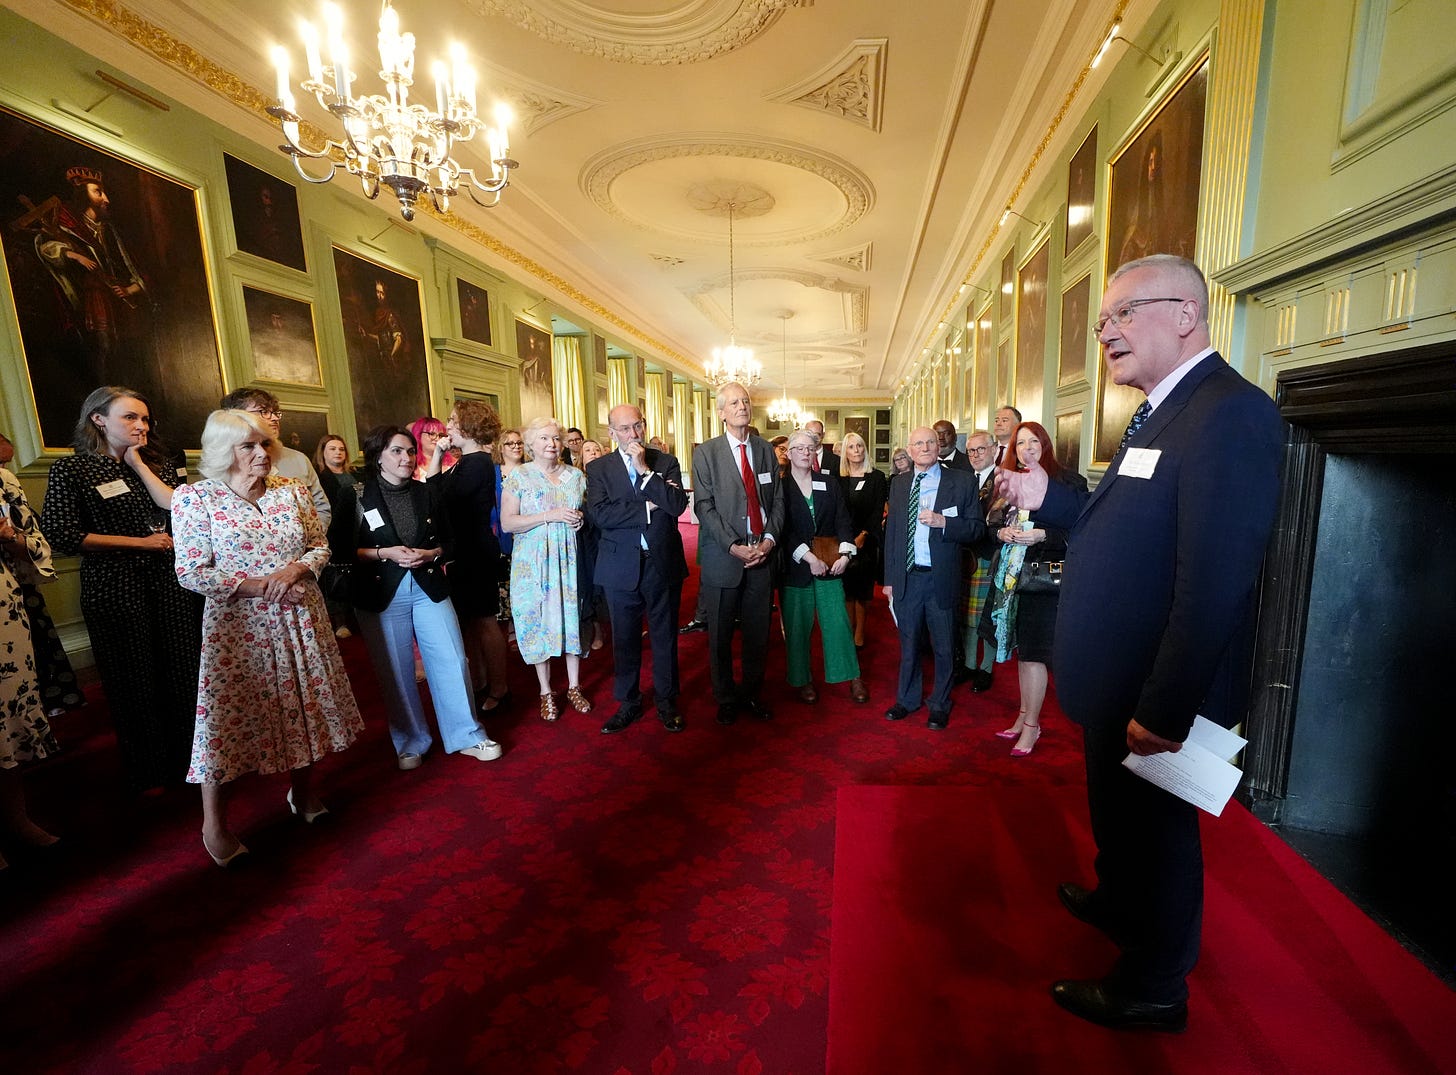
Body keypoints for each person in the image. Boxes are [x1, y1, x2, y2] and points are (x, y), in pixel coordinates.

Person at [997, 255, 1281, 1031]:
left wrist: (1164, 710)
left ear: (1185, 315)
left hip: (1164, 697)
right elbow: (1116, 521)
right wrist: (1048, 497)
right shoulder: (1160, 411)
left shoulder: (1231, 413)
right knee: (1121, 826)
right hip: (1116, 680)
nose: (1107, 333)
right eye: (1101, 322)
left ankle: (1154, 987)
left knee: (1160, 838)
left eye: (1124, 314)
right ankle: (1121, 906)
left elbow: (1213, 583)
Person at [171, 409, 363, 867]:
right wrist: (263, 585)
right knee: (224, 723)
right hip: (239, 630)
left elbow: (320, 545)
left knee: (304, 705)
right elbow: (191, 571)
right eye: (249, 446)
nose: (262, 454)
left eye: (265, 445)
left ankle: (303, 792)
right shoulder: (195, 498)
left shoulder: (291, 491)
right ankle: (213, 825)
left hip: (300, 617)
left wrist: (296, 568)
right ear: (224, 451)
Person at [41, 386, 203, 792]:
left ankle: (192, 761)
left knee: (182, 673)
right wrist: (139, 544)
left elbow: (182, 516)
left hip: (169, 584)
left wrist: (138, 464)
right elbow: (61, 534)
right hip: (115, 587)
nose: (141, 426)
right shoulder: (73, 470)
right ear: (99, 419)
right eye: (130, 418)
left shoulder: (159, 466)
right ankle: (148, 769)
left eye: (145, 419)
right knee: (133, 679)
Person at [330, 426, 501, 771]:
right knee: (396, 670)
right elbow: (340, 548)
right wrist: (383, 553)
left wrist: (432, 553)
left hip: (428, 586)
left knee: (453, 660)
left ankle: (466, 734)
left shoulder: (428, 493)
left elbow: (452, 543)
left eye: (409, 452)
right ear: (378, 456)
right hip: (380, 591)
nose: (406, 458)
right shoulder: (357, 495)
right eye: (396, 451)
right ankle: (410, 741)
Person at [977, 421, 1087, 756]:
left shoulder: (1068, 482)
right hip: (1011, 580)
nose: (1027, 447)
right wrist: (1001, 534)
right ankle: (1023, 715)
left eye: (1034, 441)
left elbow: (1084, 531)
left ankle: (1032, 726)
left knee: (1036, 655)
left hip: (1045, 582)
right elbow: (989, 526)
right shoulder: (1007, 479)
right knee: (1022, 653)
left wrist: (1043, 535)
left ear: (1046, 444)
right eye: (1020, 442)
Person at [587, 405, 689, 734]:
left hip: (662, 564)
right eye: (625, 429)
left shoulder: (664, 461)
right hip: (620, 566)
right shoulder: (599, 468)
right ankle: (629, 702)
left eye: (637, 426)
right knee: (626, 639)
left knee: (664, 637)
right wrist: (647, 506)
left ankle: (666, 699)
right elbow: (601, 516)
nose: (633, 435)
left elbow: (676, 506)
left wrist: (645, 471)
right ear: (611, 432)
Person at [691, 382, 783, 725]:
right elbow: (704, 505)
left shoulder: (764, 450)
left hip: (762, 556)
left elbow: (777, 502)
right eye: (734, 402)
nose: (742, 406)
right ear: (721, 413)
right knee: (720, 636)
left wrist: (769, 542)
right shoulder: (706, 453)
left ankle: (753, 694)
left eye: (745, 400)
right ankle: (726, 696)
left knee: (758, 635)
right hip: (723, 558)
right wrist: (733, 546)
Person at [881, 426, 983, 729]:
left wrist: (944, 523)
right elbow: (893, 535)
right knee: (909, 643)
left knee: (943, 646)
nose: (924, 447)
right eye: (918, 444)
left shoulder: (962, 481)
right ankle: (907, 700)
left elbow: (977, 529)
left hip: (941, 577)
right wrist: (889, 579)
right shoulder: (899, 485)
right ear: (910, 451)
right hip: (908, 578)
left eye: (929, 442)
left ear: (938, 447)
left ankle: (939, 703)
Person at [501, 418, 591, 721]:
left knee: (570, 618)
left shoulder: (576, 477)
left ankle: (575, 686)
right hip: (532, 562)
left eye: (555, 438)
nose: (551, 444)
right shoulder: (519, 476)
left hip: (567, 558)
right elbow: (507, 522)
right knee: (537, 621)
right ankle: (545, 690)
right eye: (543, 439)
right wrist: (549, 515)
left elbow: (579, 516)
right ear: (530, 445)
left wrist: (578, 521)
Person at [0, 466, 63, 870]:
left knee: (7, 719)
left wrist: (11, 538)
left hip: (3, 611)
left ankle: (17, 819)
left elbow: (37, 547)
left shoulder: (2, 479)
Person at [33, 166, 148, 386]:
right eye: (98, 192)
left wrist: (128, 289)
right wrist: (74, 255)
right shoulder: (68, 226)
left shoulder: (109, 232)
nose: (106, 198)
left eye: (104, 192)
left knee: (121, 348)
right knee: (102, 344)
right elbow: (47, 246)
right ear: (83, 195)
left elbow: (131, 268)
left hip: (115, 299)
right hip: (91, 295)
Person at [436, 400, 512, 712]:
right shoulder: (461, 462)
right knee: (468, 620)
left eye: (453, 421)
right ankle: (479, 681)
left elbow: (435, 494)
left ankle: (499, 687)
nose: (448, 426)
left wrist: (436, 457)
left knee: (483, 619)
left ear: (469, 426)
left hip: (475, 551)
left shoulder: (477, 462)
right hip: (462, 550)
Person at [780, 429, 867, 705]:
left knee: (838, 623)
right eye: (799, 448)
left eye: (810, 448)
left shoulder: (828, 483)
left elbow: (843, 521)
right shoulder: (780, 488)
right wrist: (809, 558)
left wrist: (845, 554)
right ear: (789, 453)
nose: (805, 452)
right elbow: (782, 529)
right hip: (797, 569)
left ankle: (852, 676)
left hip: (831, 565)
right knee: (797, 626)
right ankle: (802, 679)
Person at [220, 387, 331, 525]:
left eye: (275, 413)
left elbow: (321, 507)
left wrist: (307, 539)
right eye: (264, 412)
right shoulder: (221, 461)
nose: (274, 418)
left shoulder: (299, 459)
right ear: (237, 417)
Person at [837, 431, 887, 650]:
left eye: (859, 446)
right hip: (844, 539)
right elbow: (837, 511)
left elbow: (878, 510)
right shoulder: (839, 479)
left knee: (863, 590)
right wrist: (847, 538)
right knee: (847, 589)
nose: (856, 450)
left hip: (867, 539)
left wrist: (864, 534)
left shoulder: (876, 477)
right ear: (845, 452)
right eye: (851, 447)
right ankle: (848, 629)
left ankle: (860, 632)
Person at [961, 430, 999, 693]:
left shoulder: (1003, 480)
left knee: (986, 616)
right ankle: (968, 665)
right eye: (971, 451)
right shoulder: (965, 480)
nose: (975, 455)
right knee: (967, 615)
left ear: (994, 450)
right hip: (965, 556)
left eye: (980, 450)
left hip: (988, 555)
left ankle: (985, 669)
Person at [314, 434, 359, 638]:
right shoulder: (320, 478)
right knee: (336, 576)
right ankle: (340, 621)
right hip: (334, 532)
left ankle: (358, 618)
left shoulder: (356, 474)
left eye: (341, 448)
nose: (338, 452)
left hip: (358, 529)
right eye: (332, 449)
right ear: (322, 453)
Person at [411, 415, 457, 480]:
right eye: (432, 434)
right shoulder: (411, 465)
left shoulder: (454, 463)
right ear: (418, 435)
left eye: (441, 435)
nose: (437, 438)